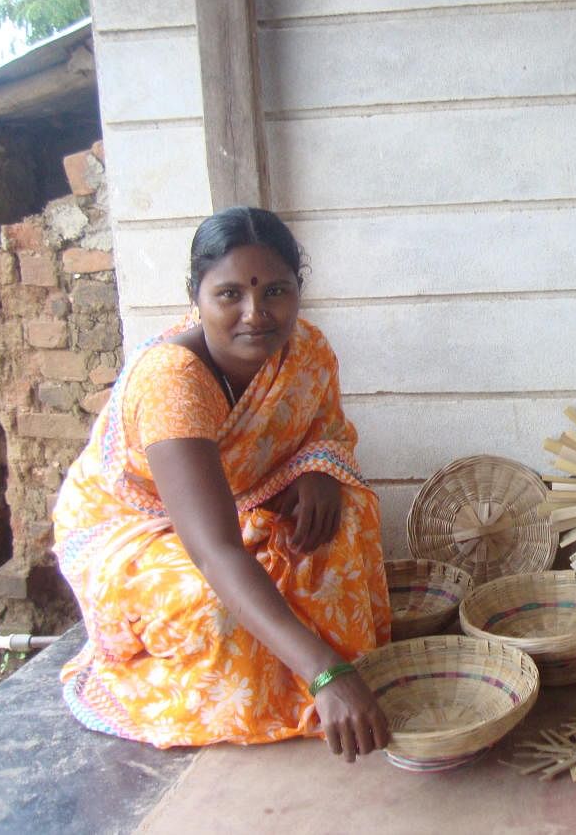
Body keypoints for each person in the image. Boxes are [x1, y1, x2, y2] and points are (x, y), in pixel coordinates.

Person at [52, 206, 391, 762]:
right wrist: (325, 673)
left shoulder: (306, 351)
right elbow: (213, 552)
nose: (255, 314)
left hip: (235, 504)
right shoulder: (173, 384)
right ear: (197, 296)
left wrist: (319, 470)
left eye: (275, 291)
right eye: (229, 294)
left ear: (298, 291)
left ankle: (320, 668)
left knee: (346, 519)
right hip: (137, 529)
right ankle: (312, 685)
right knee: (216, 607)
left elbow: (326, 430)